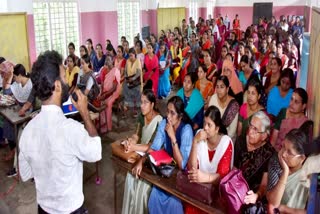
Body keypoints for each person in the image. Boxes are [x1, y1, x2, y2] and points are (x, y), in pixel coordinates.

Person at [19, 50, 101, 213]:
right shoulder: (71, 129)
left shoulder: (27, 131)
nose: (66, 82)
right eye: (64, 77)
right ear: (57, 86)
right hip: (71, 209)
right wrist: (85, 113)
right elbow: (96, 152)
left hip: (43, 209)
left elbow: (26, 173)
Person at [132, 96, 193, 214]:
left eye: (172, 113)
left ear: (180, 116)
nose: (168, 116)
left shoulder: (186, 129)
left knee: (174, 204)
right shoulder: (164, 122)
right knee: (154, 197)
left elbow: (182, 165)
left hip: (181, 175)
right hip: (167, 169)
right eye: (167, 111)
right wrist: (141, 161)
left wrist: (172, 136)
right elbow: (154, 148)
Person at [185, 106, 234, 214]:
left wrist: (205, 177)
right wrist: (194, 142)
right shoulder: (199, 136)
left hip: (217, 195)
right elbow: (191, 168)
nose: (205, 128)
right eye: (204, 123)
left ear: (217, 129)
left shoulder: (225, 143)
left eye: (209, 125)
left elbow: (223, 177)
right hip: (199, 190)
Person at [121, 89, 163, 214]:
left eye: (145, 102)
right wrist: (131, 141)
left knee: (143, 189)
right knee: (130, 178)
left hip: (151, 159)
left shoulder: (159, 121)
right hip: (140, 154)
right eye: (141, 102)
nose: (142, 106)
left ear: (152, 104)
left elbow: (152, 146)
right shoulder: (141, 116)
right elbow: (137, 135)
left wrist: (133, 147)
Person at [234, 111, 275, 205]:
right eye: (250, 126)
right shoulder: (241, 141)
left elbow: (264, 185)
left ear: (264, 136)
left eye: (255, 129)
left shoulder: (269, 154)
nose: (250, 132)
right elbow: (234, 169)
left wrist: (256, 195)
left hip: (252, 196)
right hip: (235, 190)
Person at [267, 129, 309, 211]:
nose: (283, 154)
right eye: (283, 147)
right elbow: (273, 202)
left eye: (289, 152)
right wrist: (285, 172)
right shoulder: (276, 163)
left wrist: (285, 209)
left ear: (302, 158)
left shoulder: (308, 175)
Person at [209, 75, 239, 141]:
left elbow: (232, 132)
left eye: (222, 87)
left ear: (227, 89)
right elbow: (209, 119)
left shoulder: (233, 105)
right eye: (217, 87)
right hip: (213, 135)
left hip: (228, 139)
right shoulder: (213, 98)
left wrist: (219, 140)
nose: (219, 90)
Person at [96, 55, 121, 133]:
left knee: (108, 103)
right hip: (105, 91)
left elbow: (114, 88)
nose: (107, 62)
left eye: (109, 60)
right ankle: (102, 123)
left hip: (114, 92)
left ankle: (108, 126)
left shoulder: (115, 71)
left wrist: (105, 95)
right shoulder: (104, 70)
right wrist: (101, 93)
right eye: (106, 60)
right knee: (99, 102)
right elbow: (102, 84)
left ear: (112, 61)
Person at [123, 48, 143, 117]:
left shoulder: (137, 61)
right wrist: (126, 77)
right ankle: (128, 108)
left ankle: (136, 111)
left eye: (131, 55)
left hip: (136, 82)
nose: (130, 57)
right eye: (129, 55)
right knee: (127, 94)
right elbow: (125, 71)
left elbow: (139, 73)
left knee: (136, 96)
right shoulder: (127, 61)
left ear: (135, 55)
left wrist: (132, 79)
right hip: (129, 81)